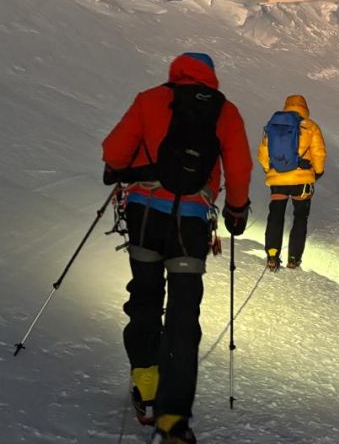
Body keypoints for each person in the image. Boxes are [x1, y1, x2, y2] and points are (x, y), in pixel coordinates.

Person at [102, 52, 253, 444]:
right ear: (210, 77)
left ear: (176, 69)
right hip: (190, 220)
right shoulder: (225, 111)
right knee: (184, 313)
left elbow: (114, 152)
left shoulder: (149, 99)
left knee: (145, 295)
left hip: (143, 214)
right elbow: (239, 168)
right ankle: (173, 419)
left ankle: (147, 386)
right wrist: (237, 209)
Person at [258, 94, 327, 270]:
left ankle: (272, 254)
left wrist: (270, 169)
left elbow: (263, 153)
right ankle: (294, 258)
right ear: (305, 108)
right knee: (300, 217)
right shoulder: (311, 127)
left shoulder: (275, 124)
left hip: (277, 179)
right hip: (302, 180)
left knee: (276, 215)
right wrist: (317, 172)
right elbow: (319, 153)